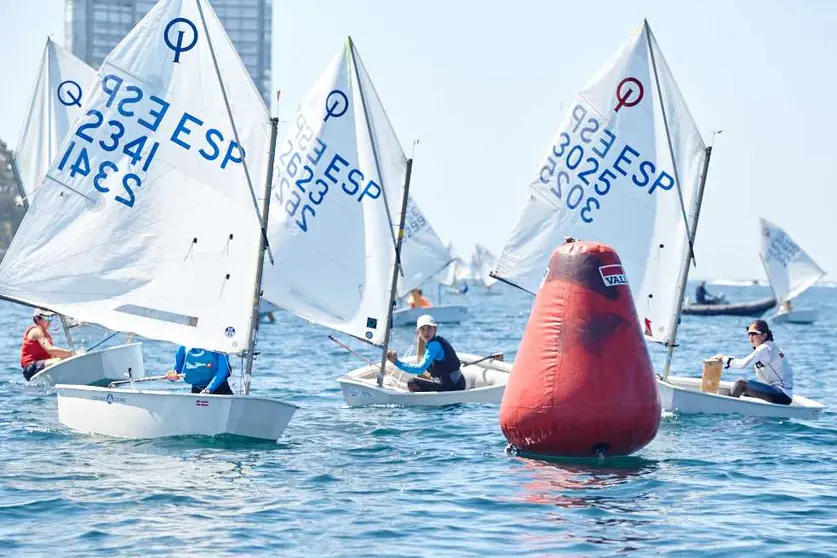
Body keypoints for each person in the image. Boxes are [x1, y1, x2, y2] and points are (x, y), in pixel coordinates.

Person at [712, 320, 793, 405]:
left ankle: (727, 408)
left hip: (782, 394)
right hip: (779, 393)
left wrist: (722, 358)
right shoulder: (769, 346)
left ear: (764, 335)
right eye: (749, 334)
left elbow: (742, 364)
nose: (750, 337)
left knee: (741, 382)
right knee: (744, 392)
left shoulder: (764, 348)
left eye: (754, 334)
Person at [386, 314, 466, 392]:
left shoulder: (434, 345)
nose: (426, 332)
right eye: (422, 329)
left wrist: (396, 362)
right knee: (423, 378)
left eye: (429, 328)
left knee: (412, 382)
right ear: (418, 332)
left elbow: (420, 369)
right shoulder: (434, 342)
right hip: (457, 383)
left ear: (435, 329)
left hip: (453, 386)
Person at [20, 309, 75, 381]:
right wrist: (71, 354)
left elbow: (52, 355)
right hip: (30, 368)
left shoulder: (45, 334)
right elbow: (50, 350)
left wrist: (69, 356)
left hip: (41, 365)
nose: (49, 321)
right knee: (58, 362)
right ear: (37, 318)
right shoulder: (36, 331)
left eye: (50, 318)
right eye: (46, 318)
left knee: (64, 360)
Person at [165, 346, 234, 394]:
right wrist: (171, 375)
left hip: (221, 390)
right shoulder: (184, 346)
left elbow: (223, 371)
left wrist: (208, 389)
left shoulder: (219, 345)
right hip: (196, 391)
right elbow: (176, 371)